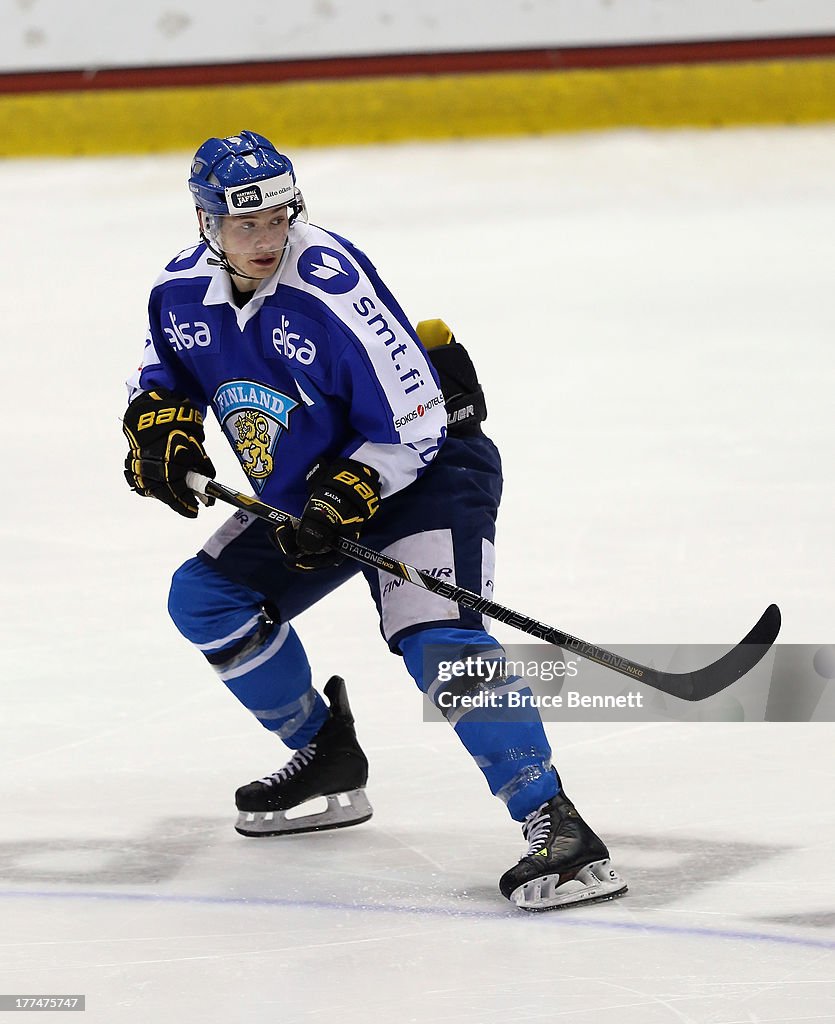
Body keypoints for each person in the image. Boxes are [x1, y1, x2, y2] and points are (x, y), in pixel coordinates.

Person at [122, 130, 627, 911]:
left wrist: (346, 493)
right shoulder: (180, 289)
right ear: (205, 221)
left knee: (436, 638)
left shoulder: (329, 283)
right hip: (309, 485)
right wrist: (156, 420)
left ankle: (555, 825)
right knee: (205, 598)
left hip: (424, 473)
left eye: (279, 219)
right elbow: (162, 369)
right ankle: (325, 754)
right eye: (245, 225)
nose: (266, 240)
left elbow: (419, 417)